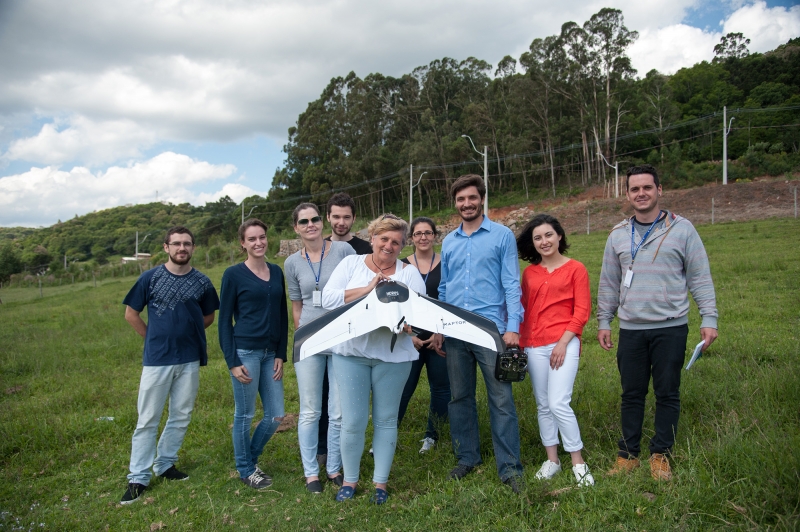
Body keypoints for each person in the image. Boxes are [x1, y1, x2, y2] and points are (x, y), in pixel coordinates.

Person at [597, 164, 718, 481]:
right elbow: (609, 282)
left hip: (670, 327)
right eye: (635, 189)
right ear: (627, 194)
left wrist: (709, 317)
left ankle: (660, 454)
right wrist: (604, 321)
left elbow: (700, 277)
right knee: (631, 394)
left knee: (667, 392)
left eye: (647, 187)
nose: (641, 193)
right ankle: (627, 455)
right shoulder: (617, 235)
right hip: (631, 330)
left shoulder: (683, 229)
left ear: (659, 190)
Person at [321, 214, 426, 504]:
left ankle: (380, 483)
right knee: (352, 421)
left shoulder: (409, 273)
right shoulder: (351, 264)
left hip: (393, 357)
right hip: (351, 354)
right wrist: (368, 289)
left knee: (386, 420)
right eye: (384, 239)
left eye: (396, 242)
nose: (389, 246)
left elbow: (420, 313)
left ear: (402, 245)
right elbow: (327, 299)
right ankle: (350, 480)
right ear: (372, 238)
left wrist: (410, 326)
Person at [432, 174, 525, 493]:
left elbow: (511, 283)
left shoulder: (502, 236)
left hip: (490, 331)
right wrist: (440, 327)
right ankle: (466, 457)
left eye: (472, 197)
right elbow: (445, 287)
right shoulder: (449, 242)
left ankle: (510, 467)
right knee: (460, 397)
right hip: (456, 330)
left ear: (482, 199)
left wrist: (513, 327)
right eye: (461, 199)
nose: (467, 203)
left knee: (501, 399)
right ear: (455, 203)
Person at [120, 226, 220, 505]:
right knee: (147, 419)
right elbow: (131, 314)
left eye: (187, 243)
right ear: (166, 247)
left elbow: (209, 316)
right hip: (158, 360)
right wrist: (153, 338)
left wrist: (188, 333)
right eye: (176, 243)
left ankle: (164, 464)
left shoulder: (202, 281)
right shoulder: (149, 278)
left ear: (193, 247)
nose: (181, 248)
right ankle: (138, 477)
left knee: (181, 414)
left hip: (189, 358)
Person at [516, 214, 594, 486]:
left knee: (558, 402)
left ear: (559, 236)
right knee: (543, 404)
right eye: (537, 238)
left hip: (564, 341)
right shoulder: (530, 273)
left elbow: (582, 311)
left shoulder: (576, 269)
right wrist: (521, 344)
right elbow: (525, 310)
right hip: (534, 344)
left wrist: (562, 343)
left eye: (548, 235)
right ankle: (552, 460)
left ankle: (578, 462)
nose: (544, 241)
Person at [285, 203, 355, 493]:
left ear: (322, 222)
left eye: (314, 219)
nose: (310, 224)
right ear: (296, 228)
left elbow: (354, 292)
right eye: (304, 221)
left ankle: (334, 468)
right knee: (310, 410)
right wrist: (302, 335)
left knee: (337, 411)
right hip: (310, 341)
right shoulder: (291, 263)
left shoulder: (343, 251)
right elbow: (297, 305)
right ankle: (311, 473)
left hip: (340, 337)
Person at [218, 219, 288, 490]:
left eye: (262, 237)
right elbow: (224, 321)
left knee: (276, 415)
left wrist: (280, 353)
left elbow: (282, 314)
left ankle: (250, 459)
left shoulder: (276, 271)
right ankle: (246, 470)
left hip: (271, 355)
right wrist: (232, 361)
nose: (258, 243)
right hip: (245, 351)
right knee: (245, 415)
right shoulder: (233, 274)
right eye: (252, 239)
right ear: (243, 243)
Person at [317, 192, 371, 466]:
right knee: (323, 394)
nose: (341, 222)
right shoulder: (320, 247)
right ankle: (322, 448)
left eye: (346, 217)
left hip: (355, 331)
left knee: (346, 397)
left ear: (354, 218)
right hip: (324, 327)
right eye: (336, 216)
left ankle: (344, 451)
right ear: (328, 217)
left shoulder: (365, 249)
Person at [397, 217, 451, 454]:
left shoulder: (446, 264)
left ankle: (432, 436)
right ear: (411, 238)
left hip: (439, 336)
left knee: (440, 388)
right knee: (402, 388)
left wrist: (441, 331)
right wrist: (408, 336)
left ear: (435, 236)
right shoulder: (401, 266)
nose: (423, 237)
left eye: (428, 233)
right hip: (410, 337)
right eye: (418, 233)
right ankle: (388, 434)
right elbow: (395, 304)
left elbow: (451, 299)